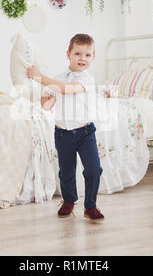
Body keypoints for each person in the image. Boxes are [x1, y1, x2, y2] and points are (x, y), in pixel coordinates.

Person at [27, 34, 104, 221]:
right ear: (68, 54)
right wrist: (48, 99)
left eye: (87, 55)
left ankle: (90, 206)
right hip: (63, 133)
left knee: (93, 169)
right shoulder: (58, 78)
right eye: (77, 53)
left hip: (86, 132)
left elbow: (67, 89)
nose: (82, 59)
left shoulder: (87, 79)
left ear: (93, 58)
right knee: (66, 171)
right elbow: (46, 104)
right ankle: (69, 200)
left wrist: (39, 77)